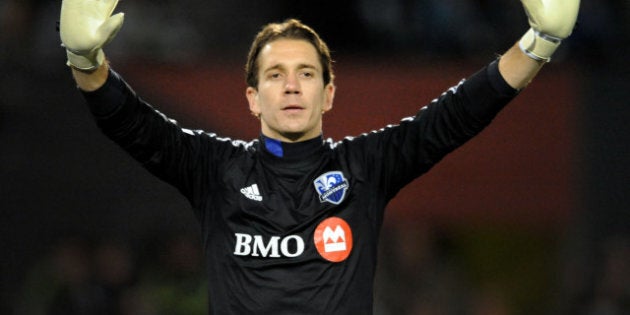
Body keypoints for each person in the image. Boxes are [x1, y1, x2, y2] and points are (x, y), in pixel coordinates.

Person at [59, 0, 580, 313]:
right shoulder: (214, 168)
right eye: (275, 75)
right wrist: (85, 61)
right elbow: (132, 125)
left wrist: (538, 44)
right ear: (252, 97)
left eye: (306, 73)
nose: (291, 86)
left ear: (328, 94)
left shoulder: (365, 167)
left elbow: (455, 116)